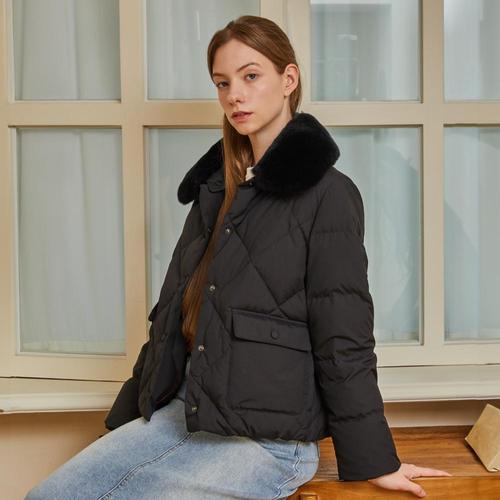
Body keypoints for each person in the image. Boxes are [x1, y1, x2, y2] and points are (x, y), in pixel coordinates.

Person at [25, 15, 452, 500]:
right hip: (183, 415)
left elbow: (343, 336)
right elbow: (171, 316)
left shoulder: (329, 196)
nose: (235, 95)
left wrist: (375, 459)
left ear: (288, 80)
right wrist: (125, 420)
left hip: (269, 442)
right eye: (223, 83)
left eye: (251, 76)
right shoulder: (215, 189)